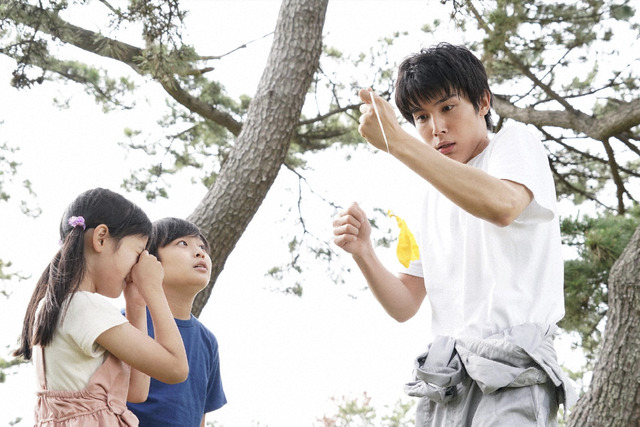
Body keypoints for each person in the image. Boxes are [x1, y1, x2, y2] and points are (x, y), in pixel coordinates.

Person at [332, 43, 576, 425]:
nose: (436, 128)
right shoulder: (427, 193)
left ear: (483, 102)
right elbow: (405, 304)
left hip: (513, 367)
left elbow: (503, 205)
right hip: (445, 376)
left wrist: (397, 142)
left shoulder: (515, 142)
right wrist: (364, 252)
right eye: (421, 117)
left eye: (447, 108)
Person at [14, 188, 189, 425]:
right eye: (137, 253)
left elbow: (136, 392)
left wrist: (136, 304)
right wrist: (154, 290)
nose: (137, 266)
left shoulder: (59, 305)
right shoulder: (85, 306)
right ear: (101, 238)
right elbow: (176, 368)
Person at [126, 217, 226, 426]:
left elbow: (200, 414)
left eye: (202, 247)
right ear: (150, 260)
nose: (200, 253)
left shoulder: (207, 341)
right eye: (183, 243)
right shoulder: (126, 322)